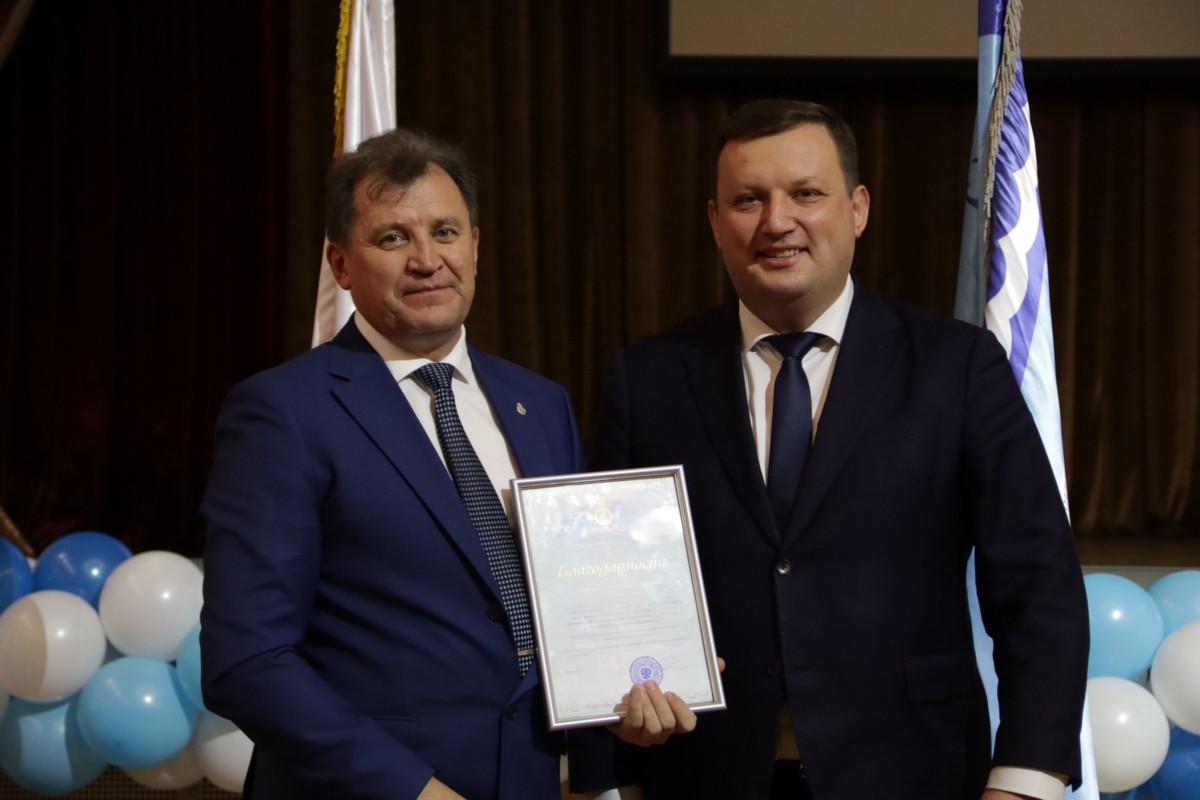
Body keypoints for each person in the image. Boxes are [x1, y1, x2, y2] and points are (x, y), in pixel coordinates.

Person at [575, 100, 1090, 799]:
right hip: (704, 775)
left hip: (915, 774)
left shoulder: (956, 366)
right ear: (715, 222)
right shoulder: (650, 379)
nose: (776, 221)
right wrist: (612, 774)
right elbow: (608, 596)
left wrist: (1026, 780)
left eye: (806, 194)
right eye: (748, 200)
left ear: (858, 208)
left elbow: (1038, 587)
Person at [199, 127, 693, 800]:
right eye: (393, 238)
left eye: (445, 232)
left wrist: (621, 705)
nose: (427, 260)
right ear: (341, 264)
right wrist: (416, 792)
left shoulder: (539, 403)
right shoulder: (283, 412)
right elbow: (247, 662)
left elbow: (575, 611)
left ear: (476, 247)